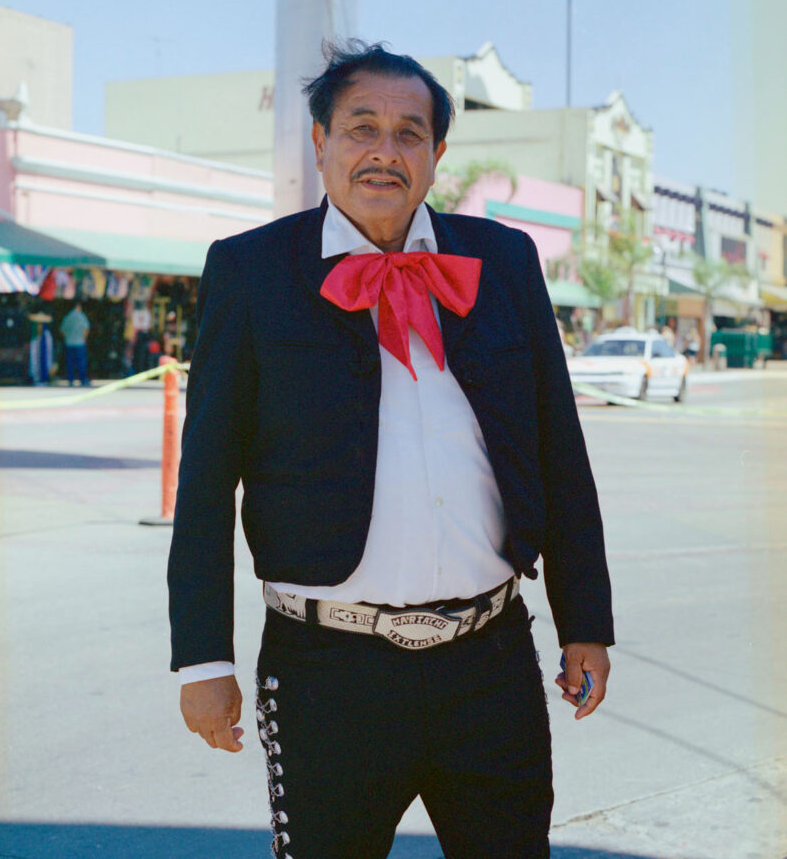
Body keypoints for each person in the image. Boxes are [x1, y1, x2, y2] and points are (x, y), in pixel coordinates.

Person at [168, 42, 614, 859]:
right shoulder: (251, 271)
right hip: (326, 674)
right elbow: (205, 485)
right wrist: (202, 660)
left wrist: (586, 621)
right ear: (320, 141)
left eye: (410, 133)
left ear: (438, 154)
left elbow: (558, 448)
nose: (384, 150)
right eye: (361, 127)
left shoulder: (503, 261)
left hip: (492, 664)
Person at [60, 301, 90, 386]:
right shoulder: (82, 316)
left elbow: (62, 330)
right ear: (78, 306)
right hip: (80, 343)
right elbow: (86, 329)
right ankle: (82, 379)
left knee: (70, 363)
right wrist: (84, 339)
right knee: (81, 363)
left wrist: (67, 338)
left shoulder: (67, 317)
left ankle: (71, 380)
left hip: (69, 343)